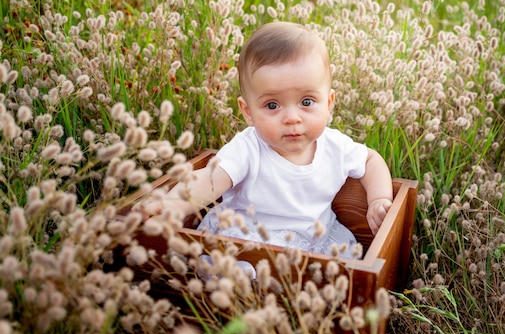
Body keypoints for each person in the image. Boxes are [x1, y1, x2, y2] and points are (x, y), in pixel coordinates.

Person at [139, 21, 393, 257]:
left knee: (348, 266)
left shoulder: (335, 146)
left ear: (328, 103)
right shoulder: (248, 148)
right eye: (272, 105)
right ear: (248, 111)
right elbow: (209, 179)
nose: (292, 117)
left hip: (315, 238)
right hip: (248, 237)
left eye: (307, 102)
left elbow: (371, 160)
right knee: (241, 269)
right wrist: (174, 204)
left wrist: (379, 198)